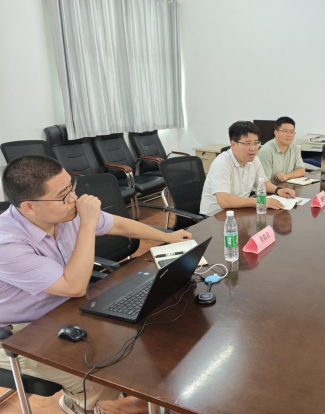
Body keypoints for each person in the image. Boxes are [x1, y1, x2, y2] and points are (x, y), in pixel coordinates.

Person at [0, 155, 193, 414]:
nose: (74, 198)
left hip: (65, 309)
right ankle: (76, 404)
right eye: (63, 195)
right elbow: (73, 286)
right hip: (18, 331)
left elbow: (116, 224)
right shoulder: (6, 243)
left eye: (72, 187)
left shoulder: (64, 212)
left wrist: (168, 236)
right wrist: (88, 224)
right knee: (96, 375)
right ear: (29, 207)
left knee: (148, 334)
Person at [200, 121, 295, 216]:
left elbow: (264, 183)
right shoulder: (222, 164)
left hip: (240, 211)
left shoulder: (254, 160)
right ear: (233, 144)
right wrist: (260, 201)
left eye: (256, 143)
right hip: (215, 217)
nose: (253, 148)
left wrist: (278, 190)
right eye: (247, 143)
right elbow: (224, 201)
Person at [257, 116, 305, 185]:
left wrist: (286, 176)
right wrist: (279, 190)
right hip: (270, 190)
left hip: (285, 187)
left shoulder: (294, 147)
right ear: (276, 133)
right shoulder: (266, 151)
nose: (289, 135)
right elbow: (264, 183)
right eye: (285, 131)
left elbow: (301, 170)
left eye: (292, 132)